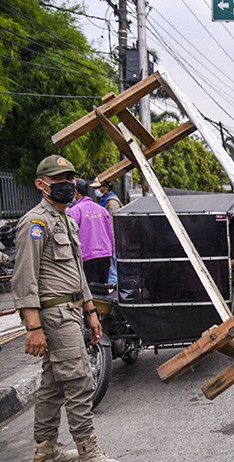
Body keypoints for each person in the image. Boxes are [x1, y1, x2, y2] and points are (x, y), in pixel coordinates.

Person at [11, 155, 119, 462]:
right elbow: (24, 277)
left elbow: (77, 272)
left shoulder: (68, 221)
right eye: (58, 180)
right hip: (54, 314)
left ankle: (45, 449)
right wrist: (33, 327)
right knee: (80, 379)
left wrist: (91, 311)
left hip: (72, 311)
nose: (67, 185)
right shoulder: (35, 222)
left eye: (70, 179)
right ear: (41, 184)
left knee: (53, 384)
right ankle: (88, 450)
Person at [67, 179, 115, 285]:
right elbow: (110, 233)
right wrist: (111, 253)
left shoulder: (74, 211)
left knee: (92, 290)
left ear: (76, 192)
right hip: (105, 255)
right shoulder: (102, 209)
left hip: (87, 256)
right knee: (103, 288)